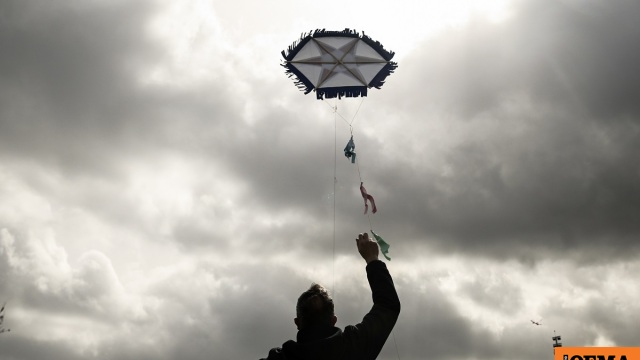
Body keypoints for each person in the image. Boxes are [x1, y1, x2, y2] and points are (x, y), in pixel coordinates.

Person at [260, 232, 401, 360]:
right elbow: (387, 306)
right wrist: (372, 259)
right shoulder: (353, 347)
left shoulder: (279, 359)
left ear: (297, 323)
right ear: (333, 320)